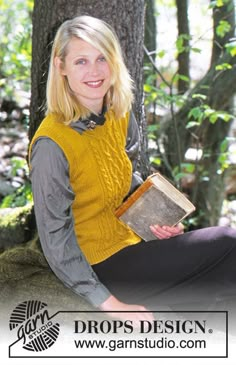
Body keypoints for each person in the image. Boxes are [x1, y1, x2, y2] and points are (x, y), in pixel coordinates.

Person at [29, 15, 236, 324]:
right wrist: (111, 305)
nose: (95, 71)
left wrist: (157, 224)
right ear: (61, 67)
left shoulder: (118, 114)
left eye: (102, 57)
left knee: (216, 286)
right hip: (97, 266)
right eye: (81, 61)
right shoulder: (51, 145)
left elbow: (126, 183)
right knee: (227, 243)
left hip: (132, 246)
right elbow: (56, 243)